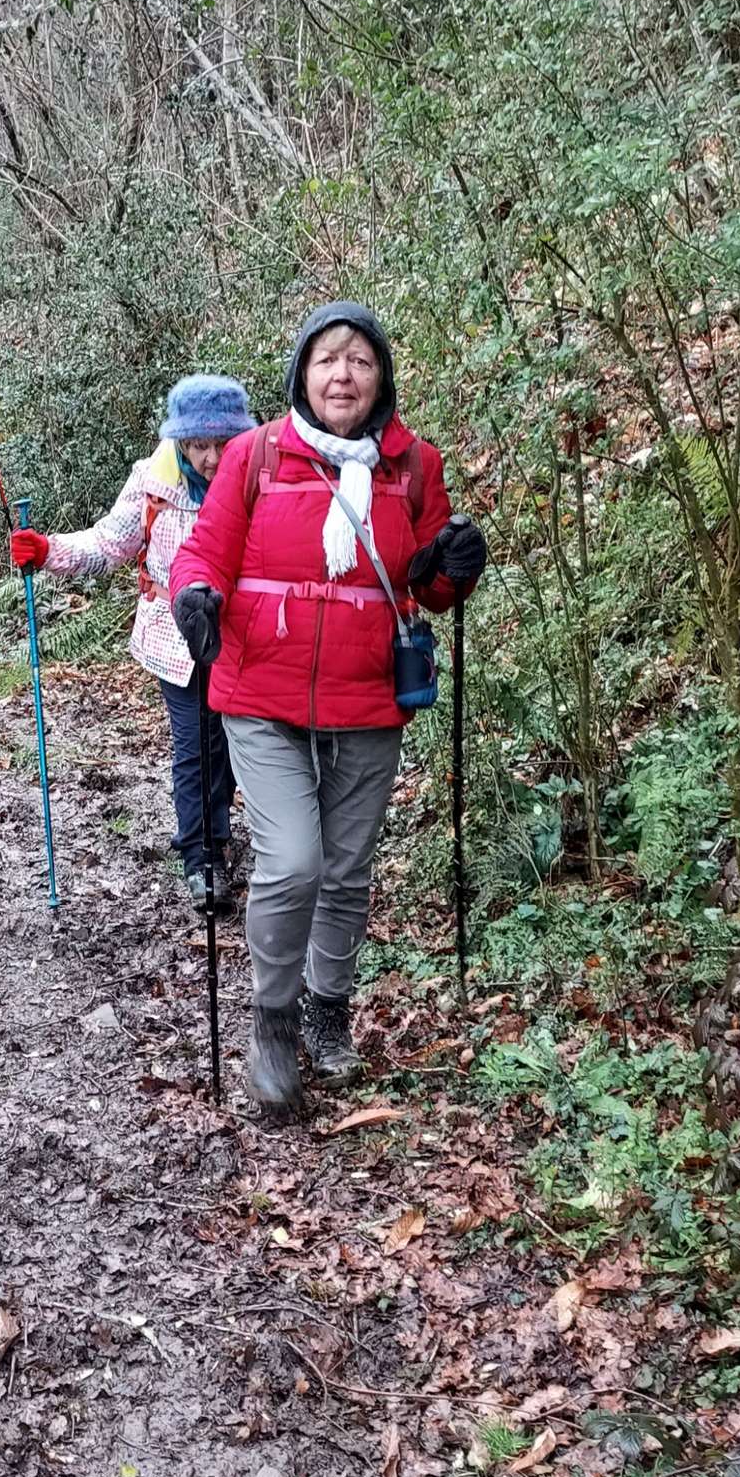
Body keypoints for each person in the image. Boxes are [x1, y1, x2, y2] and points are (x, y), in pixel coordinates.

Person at [169, 305, 485, 1112]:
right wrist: (194, 594)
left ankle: (328, 1010)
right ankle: (273, 1024)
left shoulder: (414, 466)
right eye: (327, 359)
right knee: (294, 863)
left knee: (345, 871)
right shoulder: (256, 455)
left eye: (360, 361)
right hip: (261, 695)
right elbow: (204, 553)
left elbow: (431, 586)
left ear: (382, 379)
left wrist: (458, 565)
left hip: (370, 696)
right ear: (301, 375)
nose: (343, 374)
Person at [9, 375, 255, 907]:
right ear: (180, 440)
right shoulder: (152, 483)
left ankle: (222, 834)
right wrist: (47, 550)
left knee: (234, 745)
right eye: (199, 444)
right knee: (196, 745)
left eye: (223, 444)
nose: (211, 458)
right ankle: (202, 857)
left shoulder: (257, 480)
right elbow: (108, 544)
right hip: (174, 638)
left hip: (244, 637)